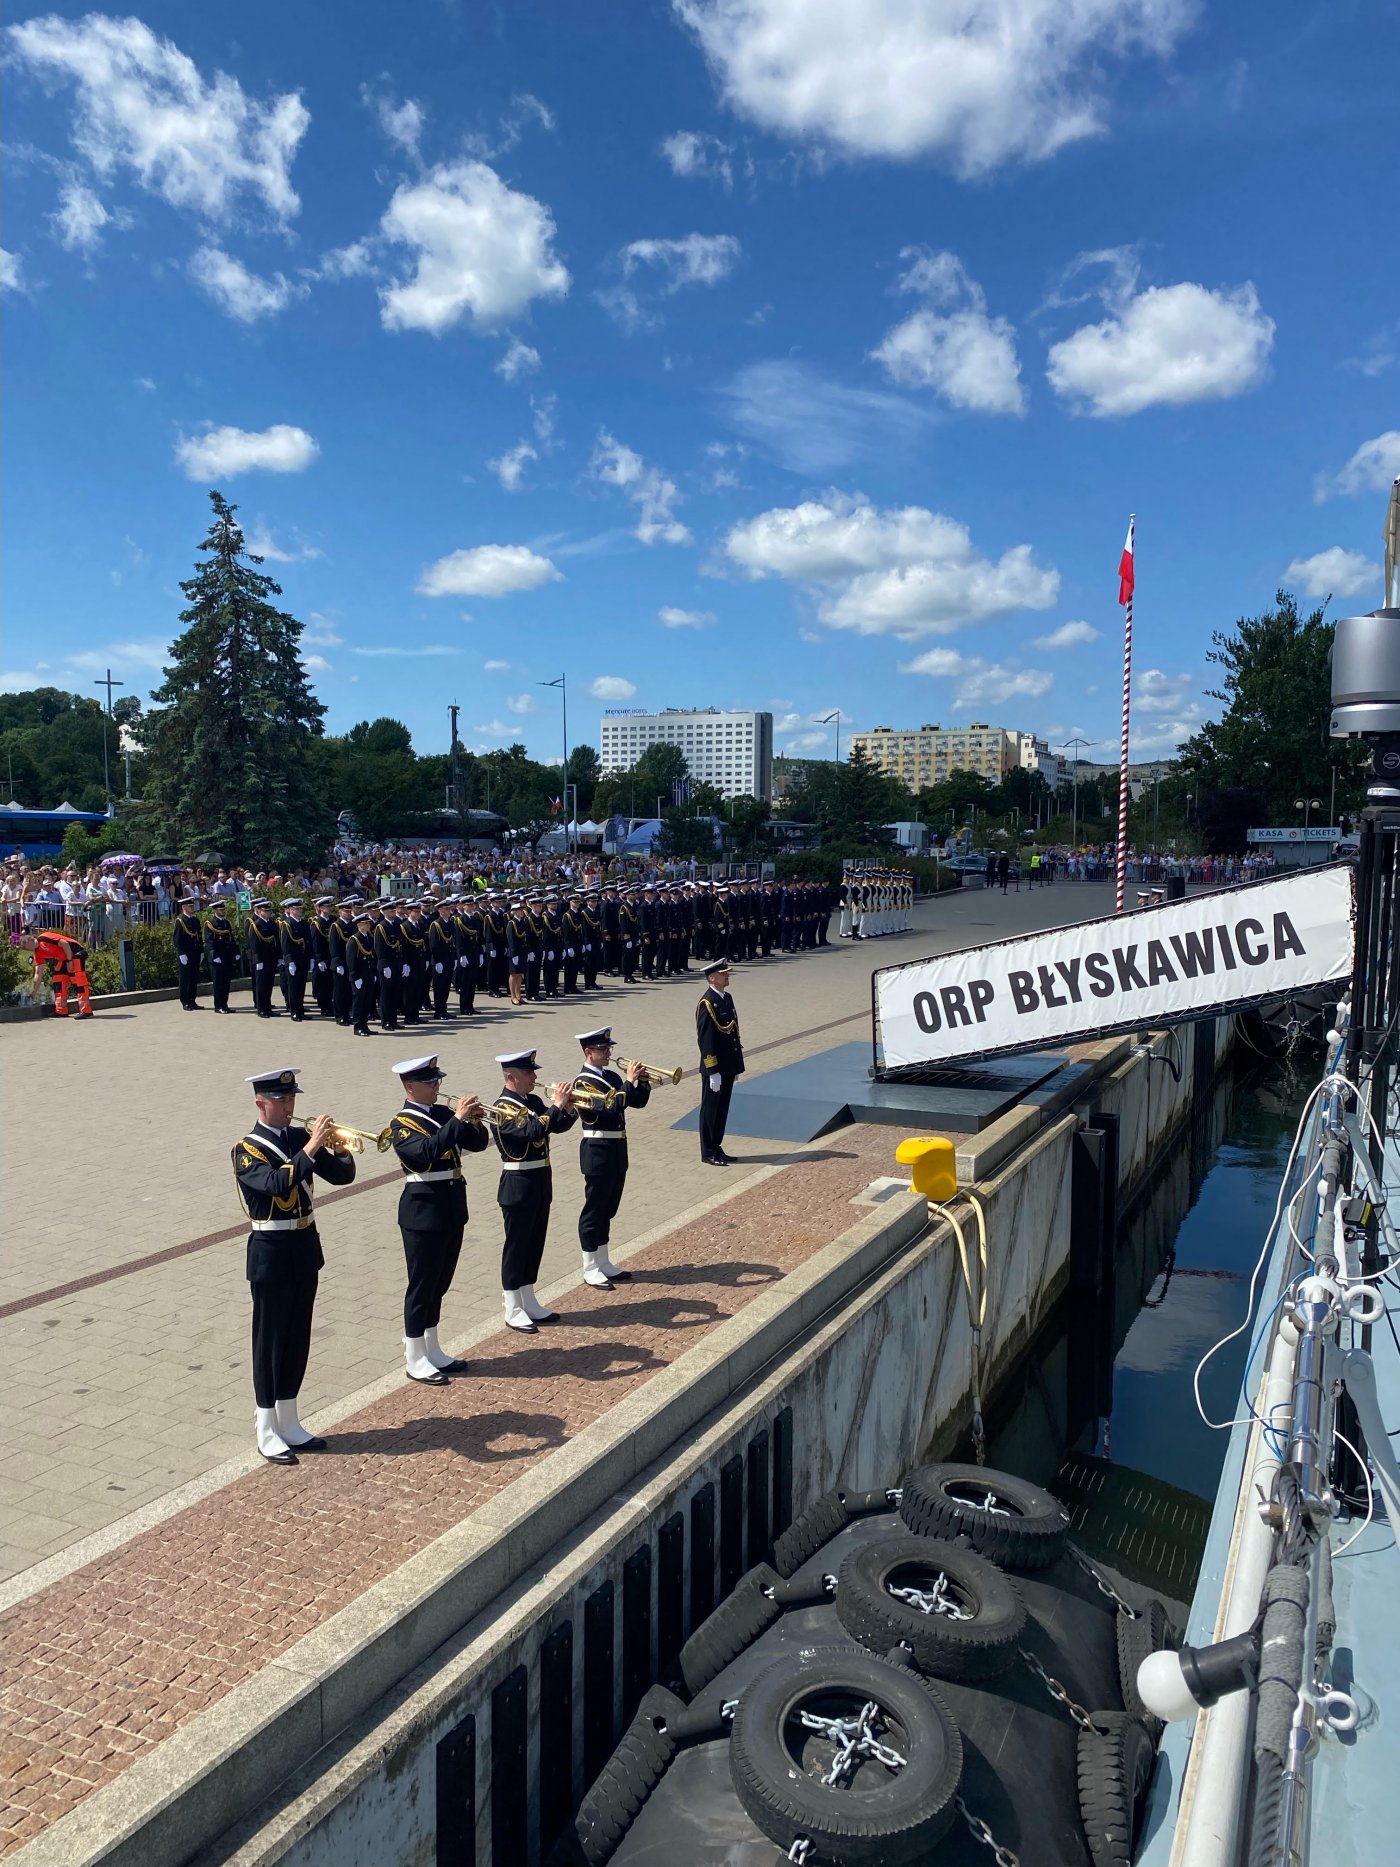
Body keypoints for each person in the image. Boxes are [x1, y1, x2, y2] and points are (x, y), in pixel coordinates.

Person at [232, 1067, 356, 1464]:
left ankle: (290, 1418)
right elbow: (273, 1184)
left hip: (304, 1245)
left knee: (298, 1334)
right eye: (281, 1100)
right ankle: (266, 1425)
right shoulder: (246, 1149)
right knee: (269, 1340)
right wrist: (311, 1147)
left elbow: (341, 1176)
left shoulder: (302, 1138)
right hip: (270, 1248)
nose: (289, 1107)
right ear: (260, 1103)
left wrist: (336, 1148)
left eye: (291, 1099)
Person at [386, 1056, 490, 1383]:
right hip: (422, 1210)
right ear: (410, 1086)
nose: (436, 1087)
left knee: (440, 1282)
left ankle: (432, 1346)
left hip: (450, 1205)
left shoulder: (443, 1113)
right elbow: (425, 1154)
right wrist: (457, 1119)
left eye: (437, 1081)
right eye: (430, 1083)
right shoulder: (401, 1124)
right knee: (422, 1284)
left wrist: (473, 1121)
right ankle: (414, 1354)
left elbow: (478, 1143)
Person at [489, 1048, 577, 1332]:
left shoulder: (533, 1100)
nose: (534, 1077)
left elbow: (557, 1126)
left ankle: (528, 1297)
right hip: (518, 1183)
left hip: (539, 1180)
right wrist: (556, 1106)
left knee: (535, 1241)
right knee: (517, 1245)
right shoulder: (503, 1108)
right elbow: (532, 1131)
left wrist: (569, 1107)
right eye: (529, 1073)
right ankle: (512, 1304)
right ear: (511, 1076)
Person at [572, 1027, 650, 1288]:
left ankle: (603, 1260)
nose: (608, 1053)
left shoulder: (611, 1076)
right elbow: (611, 1106)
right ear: (588, 1052)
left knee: (609, 1207)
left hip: (616, 1148)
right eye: (603, 1049)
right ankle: (589, 1265)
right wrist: (628, 1081)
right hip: (598, 1149)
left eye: (609, 1049)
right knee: (594, 1209)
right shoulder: (583, 1083)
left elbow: (635, 1101)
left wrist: (643, 1081)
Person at [696, 957, 744, 1166]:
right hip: (715, 1069)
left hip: (727, 1065)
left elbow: (733, 1033)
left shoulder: (726, 998)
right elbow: (706, 1040)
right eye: (724, 973)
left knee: (722, 1109)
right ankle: (707, 1151)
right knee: (710, 1110)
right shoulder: (707, 1003)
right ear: (712, 978)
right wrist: (712, 1070)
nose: (727, 976)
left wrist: (735, 1064)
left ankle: (717, 1146)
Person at [21, 928, 94, 1017]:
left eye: (25, 946)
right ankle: (61, 1010)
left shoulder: (44, 937)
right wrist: (34, 992)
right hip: (64, 958)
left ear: (30, 940)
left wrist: (69, 961)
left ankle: (86, 1010)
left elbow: (65, 944)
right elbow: (38, 973)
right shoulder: (38, 954)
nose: (26, 949)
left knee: (79, 981)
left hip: (75, 952)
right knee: (58, 981)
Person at [246, 898, 281, 1016]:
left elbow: (276, 941)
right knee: (261, 985)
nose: (268, 913)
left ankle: (268, 1007)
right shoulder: (256, 925)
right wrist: (258, 959)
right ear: (259, 911)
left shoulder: (271, 923)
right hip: (261, 959)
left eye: (269, 911)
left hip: (271, 958)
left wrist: (278, 957)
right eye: (265, 911)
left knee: (269, 984)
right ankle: (261, 1009)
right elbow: (254, 944)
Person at [204, 898, 239, 1012]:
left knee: (226, 982)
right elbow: (209, 942)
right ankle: (218, 1006)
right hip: (217, 958)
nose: (223, 911)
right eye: (220, 909)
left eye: (223, 909)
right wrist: (214, 955)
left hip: (226, 956)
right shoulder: (210, 924)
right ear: (215, 910)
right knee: (218, 983)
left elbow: (231, 939)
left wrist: (236, 951)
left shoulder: (226, 922)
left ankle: (224, 1004)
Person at [348, 907, 377, 1036]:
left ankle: (364, 1025)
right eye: (365, 923)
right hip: (359, 976)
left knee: (367, 1001)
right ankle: (357, 1026)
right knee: (358, 1002)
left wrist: (374, 973)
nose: (368, 925)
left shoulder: (368, 938)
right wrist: (355, 977)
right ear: (359, 925)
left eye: (368, 923)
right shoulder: (354, 939)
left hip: (368, 974)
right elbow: (351, 960)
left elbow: (372, 957)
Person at [172, 893, 204, 1009]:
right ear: (184, 907)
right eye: (190, 906)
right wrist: (181, 953)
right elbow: (177, 939)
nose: (192, 907)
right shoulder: (180, 921)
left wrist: (201, 951)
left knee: (193, 977)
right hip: (186, 953)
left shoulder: (195, 920)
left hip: (195, 952)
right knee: (185, 978)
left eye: (192, 905)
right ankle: (185, 1001)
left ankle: (192, 999)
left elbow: (199, 937)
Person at [311, 897, 336, 1020]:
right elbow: (316, 942)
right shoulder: (317, 923)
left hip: (331, 956)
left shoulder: (333, 920)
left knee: (331, 983)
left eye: (330, 906)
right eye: (326, 906)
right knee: (323, 984)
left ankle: (330, 1005)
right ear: (320, 908)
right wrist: (319, 959)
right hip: (323, 957)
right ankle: (324, 1007)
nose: (329, 908)